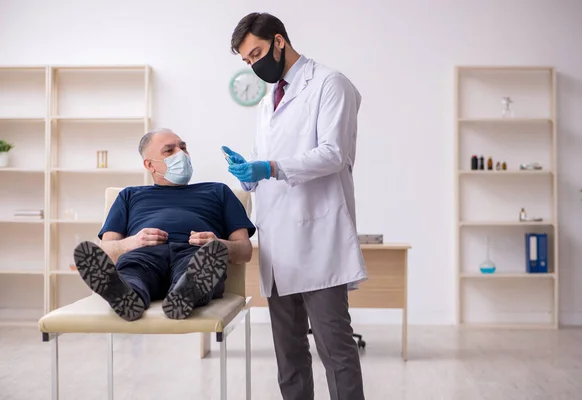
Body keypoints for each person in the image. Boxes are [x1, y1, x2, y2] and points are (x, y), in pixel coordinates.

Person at [224, 12, 368, 400]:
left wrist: (270, 167)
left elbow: (333, 154)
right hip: (277, 245)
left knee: (335, 350)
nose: (254, 65)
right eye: (247, 61)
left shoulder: (329, 84)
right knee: (289, 357)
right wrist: (248, 172)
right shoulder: (268, 99)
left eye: (256, 53)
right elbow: (265, 159)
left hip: (318, 239)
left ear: (279, 41)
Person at [72, 128, 255, 322]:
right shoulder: (129, 196)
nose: (181, 154)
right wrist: (131, 243)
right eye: (169, 151)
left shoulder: (218, 191)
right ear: (150, 165)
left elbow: (245, 251)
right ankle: (127, 297)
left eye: (183, 148)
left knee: (195, 271)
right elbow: (106, 251)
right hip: (143, 256)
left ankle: (185, 293)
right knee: (133, 274)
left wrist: (219, 245)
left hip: (195, 255)